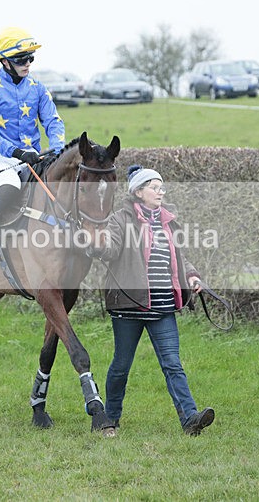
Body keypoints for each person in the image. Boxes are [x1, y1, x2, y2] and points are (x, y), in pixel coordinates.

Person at [89, 164, 215, 437]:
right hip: (128, 305)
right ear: (138, 192)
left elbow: (178, 256)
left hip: (162, 306)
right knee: (121, 367)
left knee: (173, 364)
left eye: (161, 187)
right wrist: (97, 244)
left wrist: (192, 275)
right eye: (154, 187)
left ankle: (190, 419)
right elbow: (110, 249)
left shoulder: (167, 220)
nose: (161, 192)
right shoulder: (120, 219)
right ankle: (110, 419)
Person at [0, 27, 66, 255]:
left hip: (32, 158)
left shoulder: (38, 88)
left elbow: (53, 121)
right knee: (11, 185)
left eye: (30, 58)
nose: (28, 63)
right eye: (21, 59)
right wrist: (17, 152)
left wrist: (58, 150)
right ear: (4, 61)